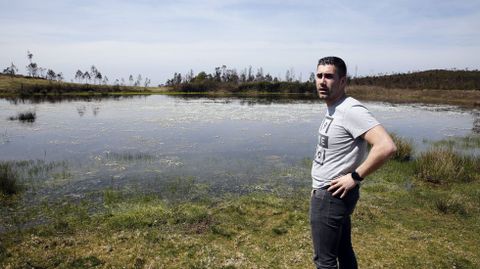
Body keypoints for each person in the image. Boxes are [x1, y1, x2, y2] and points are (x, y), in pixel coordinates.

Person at [310, 56, 397, 269]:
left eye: (329, 76)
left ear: (342, 81)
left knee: (325, 261)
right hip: (335, 194)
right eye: (319, 75)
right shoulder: (334, 107)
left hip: (330, 195)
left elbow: (386, 146)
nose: (322, 81)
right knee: (343, 250)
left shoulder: (350, 109)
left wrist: (355, 177)